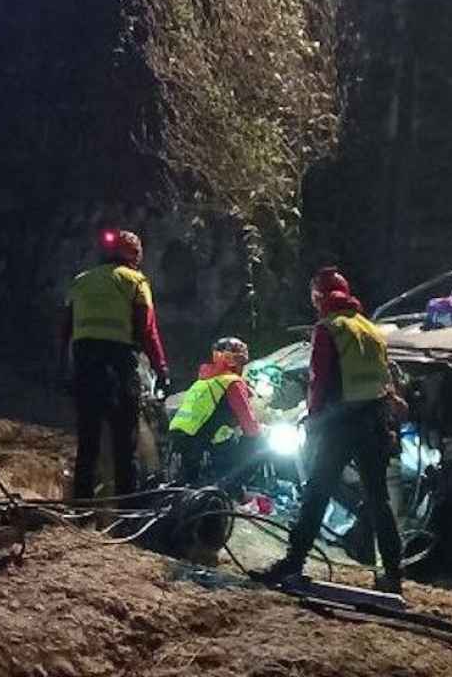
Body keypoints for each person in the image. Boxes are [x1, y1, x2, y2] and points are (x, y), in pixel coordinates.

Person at [263, 267, 404, 594]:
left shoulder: (328, 328)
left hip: (340, 424)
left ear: (319, 296)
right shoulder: (371, 329)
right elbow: (385, 378)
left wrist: (312, 418)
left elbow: (319, 380)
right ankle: (393, 575)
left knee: (316, 493)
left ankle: (293, 562)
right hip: (376, 421)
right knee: (378, 498)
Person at [59, 229, 169, 502]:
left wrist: (63, 367)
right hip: (119, 364)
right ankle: (126, 508)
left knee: (88, 440)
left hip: (85, 365)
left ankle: (80, 506)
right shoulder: (135, 281)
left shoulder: (81, 282)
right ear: (135, 254)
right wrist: (161, 368)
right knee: (124, 440)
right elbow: (147, 331)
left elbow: (64, 329)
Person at [167, 337, 262, 494]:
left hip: (183, 443)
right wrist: (261, 433)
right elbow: (250, 425)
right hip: (207, 445)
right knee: (257, 441)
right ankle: (233, 488)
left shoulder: (203, 381)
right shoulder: (232, 383)